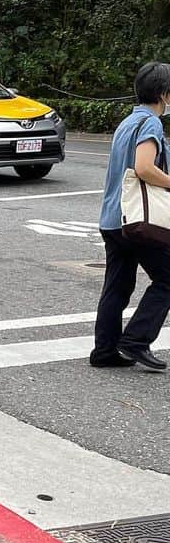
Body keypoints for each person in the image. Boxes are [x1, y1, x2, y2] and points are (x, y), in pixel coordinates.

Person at [91, 61, 170, 372]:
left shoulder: (128, 122)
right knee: (168, 279)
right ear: (164, 94)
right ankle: (136, 340)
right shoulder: (150, 124)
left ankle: (104, 350)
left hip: (113, 218)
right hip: (136, 221)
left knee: (117, 285)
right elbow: (144, 168)